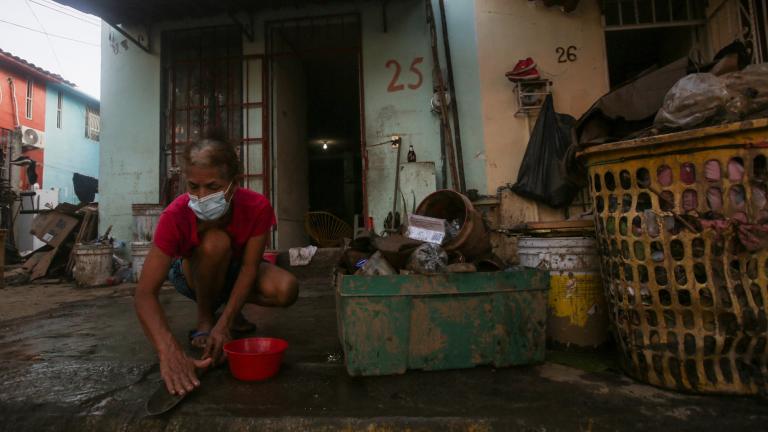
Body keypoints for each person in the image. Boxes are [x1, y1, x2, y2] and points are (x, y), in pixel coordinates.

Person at [134, 131, 298, 396]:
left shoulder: (257, 207)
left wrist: (226, 326)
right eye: (193, 187)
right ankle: (205, 318)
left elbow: (248, 268)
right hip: (189, 274)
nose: (201, 196)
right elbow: (144, 293)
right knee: (215, 243)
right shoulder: (175, 216)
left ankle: (227, 317)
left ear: (233, 184)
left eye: (212, 187)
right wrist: (169, 351)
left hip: (234, 270)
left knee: (286, 288)